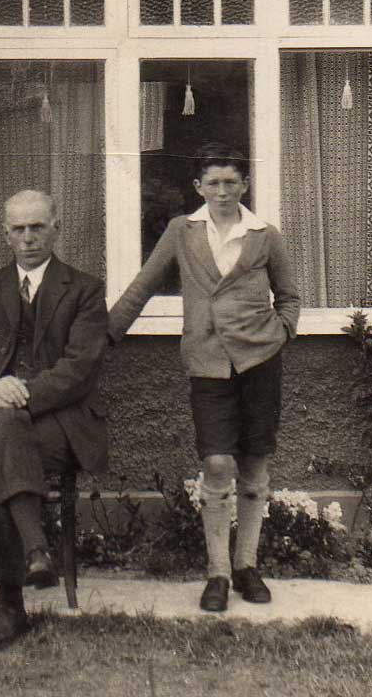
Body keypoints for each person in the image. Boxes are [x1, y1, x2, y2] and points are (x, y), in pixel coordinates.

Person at [108, 145, 300, 613]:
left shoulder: (265, 235)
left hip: (259, 363)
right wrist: (102, 338)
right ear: (198, 188)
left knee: (254, 464)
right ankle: (216, 572)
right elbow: (142, 287)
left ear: (244, 186)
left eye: (230, 182)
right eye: (212, 183)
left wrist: (280, 334)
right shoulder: (182, 231)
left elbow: (289, 295)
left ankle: (246, 566)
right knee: (217, 464)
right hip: (208, 362)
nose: (221, 191)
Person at [0, 190, 109, 651]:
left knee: (6, 439)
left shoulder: (84, 289)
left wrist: (12, 397)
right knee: (5, 433)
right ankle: (35, 551)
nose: (27, 238)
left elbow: (78, 369)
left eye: (37, 227)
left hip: (58, 423)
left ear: (55, 227)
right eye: (18, 229)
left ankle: (9, 605)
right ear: (5, 234)